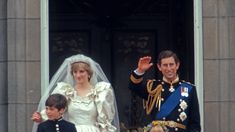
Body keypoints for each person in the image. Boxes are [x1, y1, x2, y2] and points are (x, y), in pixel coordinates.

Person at [32, 54, 119, 132]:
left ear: (89, 73)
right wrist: (40, 117)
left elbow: (105, 122)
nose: (78, 75)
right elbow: (53, 110)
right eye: (75, 72)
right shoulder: (66, 92)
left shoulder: (100, 93)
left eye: (81, 71)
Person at [128, 50, 201, 132]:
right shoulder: (153, 87)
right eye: (165, 65)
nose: (169, 68)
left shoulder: (189, 89)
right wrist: (140, 71)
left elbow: (194, 123)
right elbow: (134, 87)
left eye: (171, 65)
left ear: (177, 65)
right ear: (159, 67)